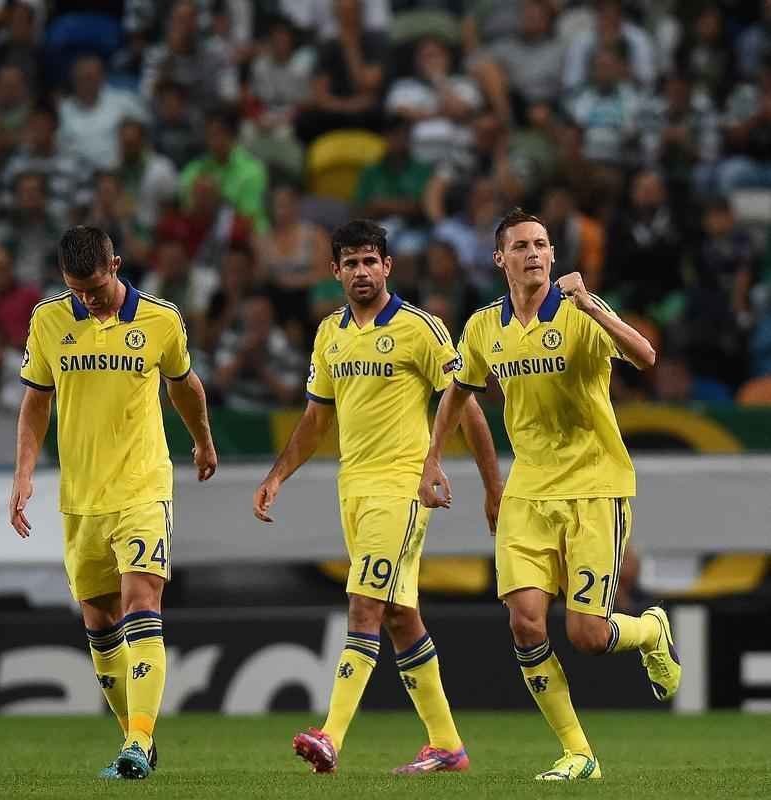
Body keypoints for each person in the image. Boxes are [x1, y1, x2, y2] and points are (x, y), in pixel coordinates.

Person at [419, 208, 674, 781]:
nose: (533, 253)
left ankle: (651, 630)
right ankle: (578, 753)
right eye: (521, 246)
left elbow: (646, 356)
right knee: (527, 623)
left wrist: (591, 306)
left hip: (594, 486)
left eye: (541, 244)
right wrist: (433, 459)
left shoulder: (581, 312)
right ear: (499, 259)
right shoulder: (484, 326)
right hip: (528, 492)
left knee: (586, 634)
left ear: (554, 255)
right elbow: (458, 393)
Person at [252, 219, 500, 775]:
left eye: (371, 261)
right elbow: (316, 420)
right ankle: (447, 746)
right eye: (351, 263)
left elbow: (466, 405)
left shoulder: (422, 329)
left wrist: (492, 485)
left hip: (402, 488)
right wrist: (277, 476)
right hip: (354, 490)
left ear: (388, 266)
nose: (362, 272)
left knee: (364, 606)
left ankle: (330, 735)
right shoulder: (329, 334)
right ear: (334, 270)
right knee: (399, 617)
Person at [11, 225, 217, 780]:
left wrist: (201, 439)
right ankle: (138, 742)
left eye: (95, 287)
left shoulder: (160, 319)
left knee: (140, 602)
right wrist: (24, 473)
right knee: (99, 623)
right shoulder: (49, 321)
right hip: (80, 495)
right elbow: (35, 403)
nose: (88, 299)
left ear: (116, 265)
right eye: (76, 289)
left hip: (142, 486)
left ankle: (138, 740)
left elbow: (185, 384)